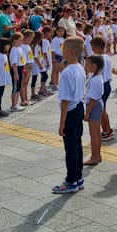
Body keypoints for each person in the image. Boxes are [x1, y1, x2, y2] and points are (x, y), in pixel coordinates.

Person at [53, 36, 85, 194]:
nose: (62, 51)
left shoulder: (66, 73)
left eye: (64, 48)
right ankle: (78, 177)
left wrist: (61, 123)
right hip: (79, 107)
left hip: (71, 111)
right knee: (77, 144)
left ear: (70, 52)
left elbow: (65, 100)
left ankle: (71, 180)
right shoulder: (80, 67)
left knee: (71, 148)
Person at [83, 54, 105, 166]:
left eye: (88, 64)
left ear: (95, 65)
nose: (86, 66)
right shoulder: (97, 77)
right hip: (97, 104)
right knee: (97, 132)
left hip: (94, 106)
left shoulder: (96, 79)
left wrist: (87, 113)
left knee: (93, 134)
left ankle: (94, 156)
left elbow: (92, 99)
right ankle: (98, 155)